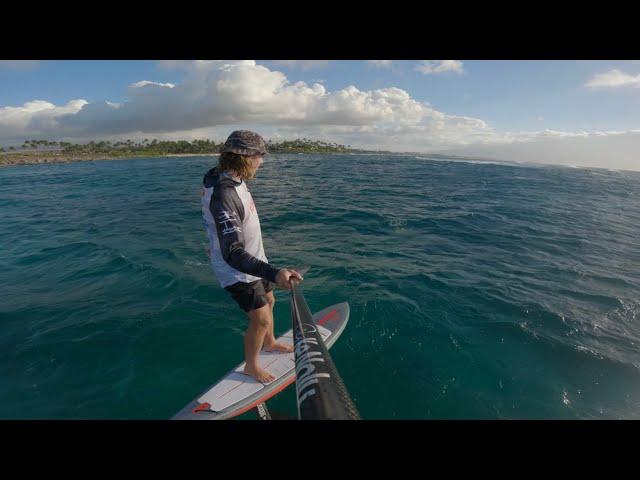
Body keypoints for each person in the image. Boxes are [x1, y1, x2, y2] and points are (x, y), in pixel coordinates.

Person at [201, 130, 303, 383]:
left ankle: (269, 343)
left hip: (255, 258)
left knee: (270, 302)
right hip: (236, 268)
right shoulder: (225, 194)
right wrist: (275, 272)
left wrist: (214, 237)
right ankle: (251, 366)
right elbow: (233, 253)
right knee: (260, 319)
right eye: (259, 155)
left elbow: (210, 198)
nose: (262, 161)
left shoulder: (223, 177)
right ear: (244, 157)